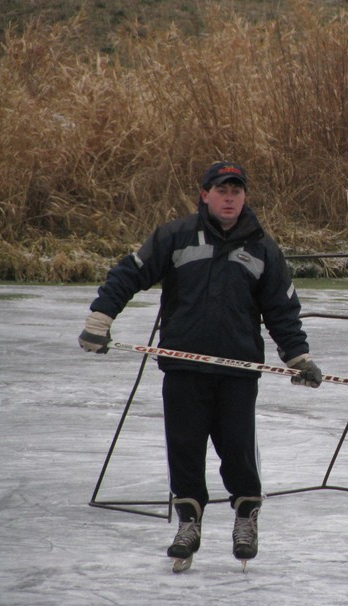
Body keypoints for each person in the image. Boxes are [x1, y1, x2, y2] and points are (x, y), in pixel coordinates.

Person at [78, 161, 322, 571]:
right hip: (183, 368)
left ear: (244, 197)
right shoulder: (174, 236)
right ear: (204, 194)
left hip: (238, 372)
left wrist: (298, 357)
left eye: (236, 191)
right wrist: (100, 319)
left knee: (239, 452)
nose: (229, 198)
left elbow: (282, 309)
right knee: (186, 450)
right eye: (221, 190)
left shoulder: (262, 248)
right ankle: (188, 524)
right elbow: (128, 274)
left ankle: (246, 518)